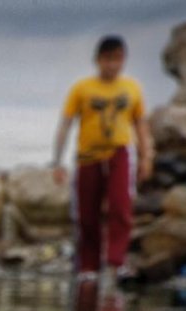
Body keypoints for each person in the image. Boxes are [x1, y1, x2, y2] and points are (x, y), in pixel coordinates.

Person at [52, 35, 153, 282]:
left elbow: (140, 123)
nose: (112, 65)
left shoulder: (131, 88)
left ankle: (116, 262)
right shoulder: (82, 89)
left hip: (119, 152)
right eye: (108, 59)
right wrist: (57, 161)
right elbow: (65, 124)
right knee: (87, 214)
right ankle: (88, 265)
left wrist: (146, 156)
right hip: (88, 157)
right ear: (98, 60)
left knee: (121, 206)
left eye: (117, 59)